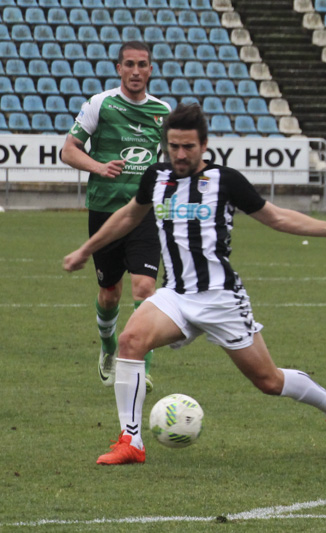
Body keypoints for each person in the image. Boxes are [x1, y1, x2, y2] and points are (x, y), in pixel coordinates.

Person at [63, 103, 326, 464]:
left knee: (268, 381)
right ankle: (131, 441)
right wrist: (87, 248)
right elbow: (129, 215)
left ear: (204, 145)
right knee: (129, 341)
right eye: (173, 145)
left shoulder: (226, 181)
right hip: (175, 295)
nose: (179, 153)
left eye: (188, 146)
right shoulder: (156, 178)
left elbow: (276, 217)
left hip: (221, 298)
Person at [62, 41, 171, 392]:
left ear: (151, 69)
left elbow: (168, 162)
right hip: (106, 212)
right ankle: (109, 347)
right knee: (110, 292)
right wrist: (99, 166)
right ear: (119, 68)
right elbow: (68, 150)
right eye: (129, 64)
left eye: (142, 64)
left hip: (143, 213)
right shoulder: (101, 104)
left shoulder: (162, 111)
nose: (136, 71)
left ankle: (141, 367)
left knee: (145, 288)